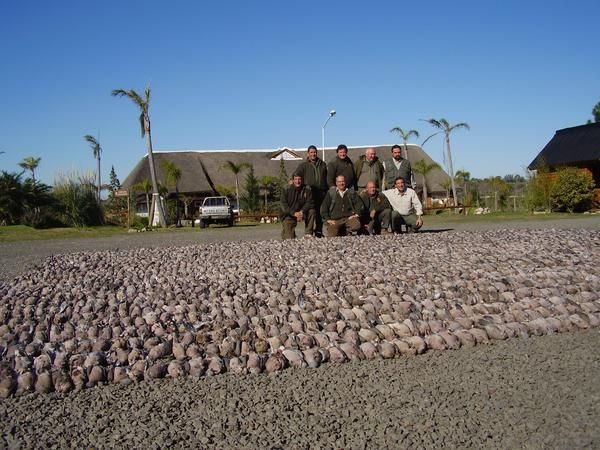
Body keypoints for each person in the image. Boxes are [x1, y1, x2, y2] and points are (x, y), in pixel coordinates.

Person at [293, 145, 328, 237]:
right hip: (310, 193)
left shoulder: (322, 164)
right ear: (308, 153)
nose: (313, 154)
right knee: (311, 211)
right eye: (311, 152)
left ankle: (319, 231)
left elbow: (327, 177)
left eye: (315, 152)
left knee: (320, 212)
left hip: (321, 192)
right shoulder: (303, 165)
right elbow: (296, 174)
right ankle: (309, 232)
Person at [280, 174, 316, 239]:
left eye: (299, 179)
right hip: (289, 214)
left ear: (302, 180)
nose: (298, 181)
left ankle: (308, 233)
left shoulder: (307, 189)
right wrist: (294, 213)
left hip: (302, 212)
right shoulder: (286, 189)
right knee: (289, 239)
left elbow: (310, 202)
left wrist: (302, 211)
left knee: (312, 211)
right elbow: (283, 205)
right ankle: (286, 232)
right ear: (293, 180)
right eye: (296, 179)